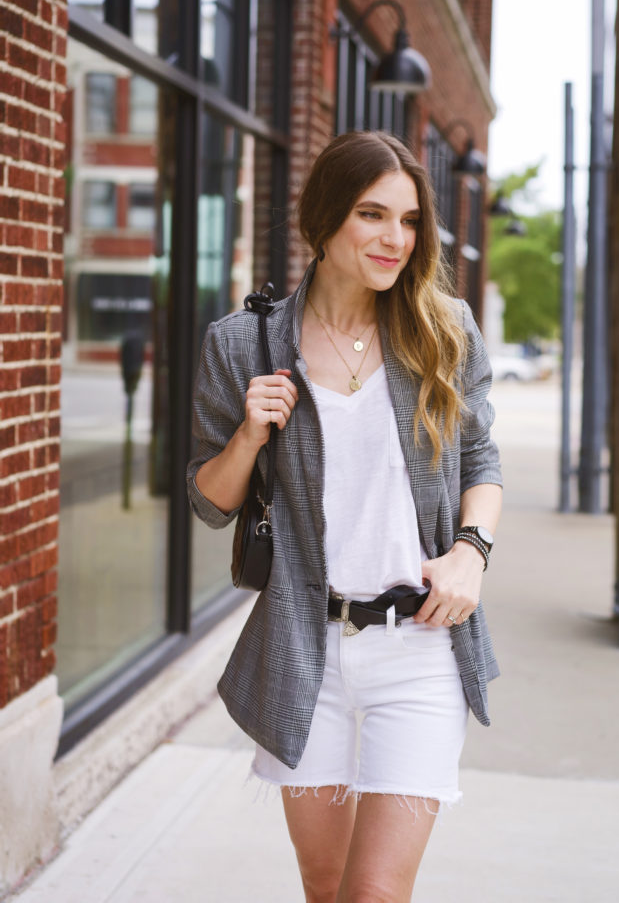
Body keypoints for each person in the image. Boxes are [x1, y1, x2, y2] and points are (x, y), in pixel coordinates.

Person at [187, 130, 502, 903]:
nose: (395, 239)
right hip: (306, 648)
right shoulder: (243, 344)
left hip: (419, 649)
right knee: (325, 885)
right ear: (323, 219)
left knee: (374, 894)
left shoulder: (441, 330)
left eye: (408, 221)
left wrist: (471, 551)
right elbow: (208, 498)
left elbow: (480, 460)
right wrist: (248, 433)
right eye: (372, 215)